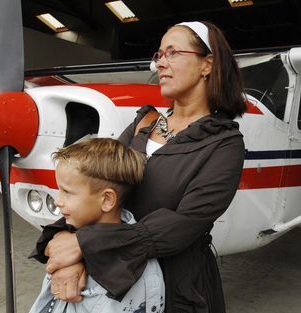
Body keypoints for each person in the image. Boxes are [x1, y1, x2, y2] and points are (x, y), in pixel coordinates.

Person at [31, 21, 247, 313]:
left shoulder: (224, 144)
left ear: (207, 64)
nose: (160, 64)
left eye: (172, 53)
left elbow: (183, 225)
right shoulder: (144, 124)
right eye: (158, 55)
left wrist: (85, 245)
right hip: (111, 280)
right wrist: (65, 241)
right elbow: (97, 186)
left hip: (177, 288)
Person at [28, 138, 164, 313]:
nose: (58, 201)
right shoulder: (72, 233)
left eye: (67, 192)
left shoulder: (130, 275)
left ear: (107, 200)